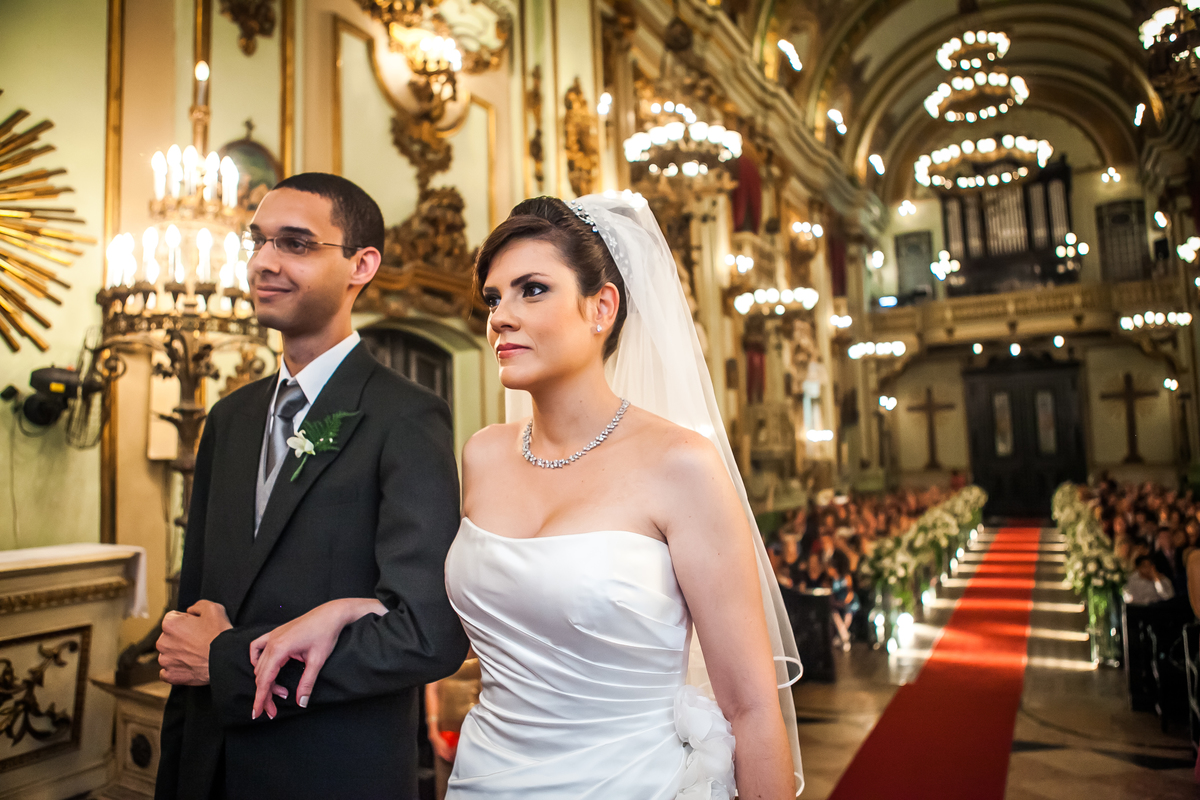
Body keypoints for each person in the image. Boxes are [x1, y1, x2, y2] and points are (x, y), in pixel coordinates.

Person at [246, 194, 804, 798]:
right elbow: (481, 614)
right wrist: (348, 610)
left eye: (532, 289)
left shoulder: (682, 465)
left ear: (602, 307)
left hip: (633, 781)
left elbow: (750, 707)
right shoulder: (483, 455)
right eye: (493, 297)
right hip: (488, 776)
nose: (501, 317)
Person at [154, 173, 469, 800]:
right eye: (260, 241)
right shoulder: (230, 418)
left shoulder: (406, 417)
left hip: (330, 769)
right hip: (210, 766)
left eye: (296, 244)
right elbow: (197, 611)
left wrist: (230, 663)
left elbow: (426, 635)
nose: (265, 262)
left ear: (362, 264)